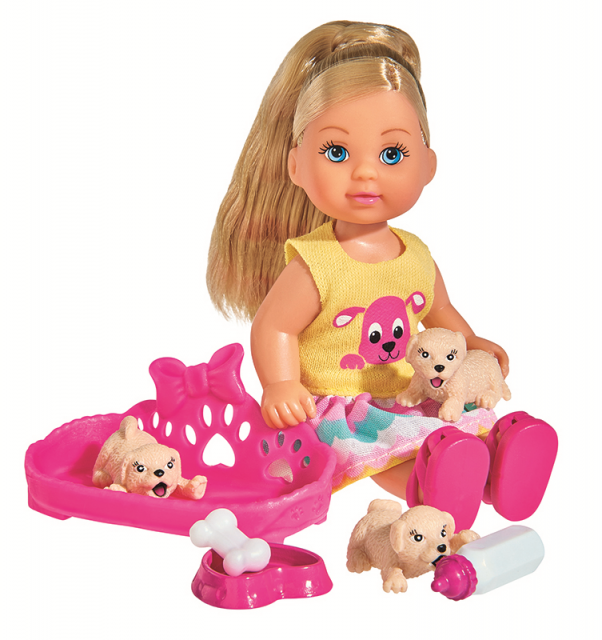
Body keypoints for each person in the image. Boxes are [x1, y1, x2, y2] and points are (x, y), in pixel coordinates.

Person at [207, 21, 556, 528]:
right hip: (343, 404)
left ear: (428, 165)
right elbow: (274, 325)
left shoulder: (415, 254)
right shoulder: (317, 261)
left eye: (392, 154)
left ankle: (501, 469)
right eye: (337, 153)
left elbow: (440, 311)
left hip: (409, 388)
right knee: (393, 451)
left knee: (451, 419)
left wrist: (472, 341)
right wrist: (280, 384)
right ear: (296, 166)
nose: (366, 172)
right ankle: (435, 486)